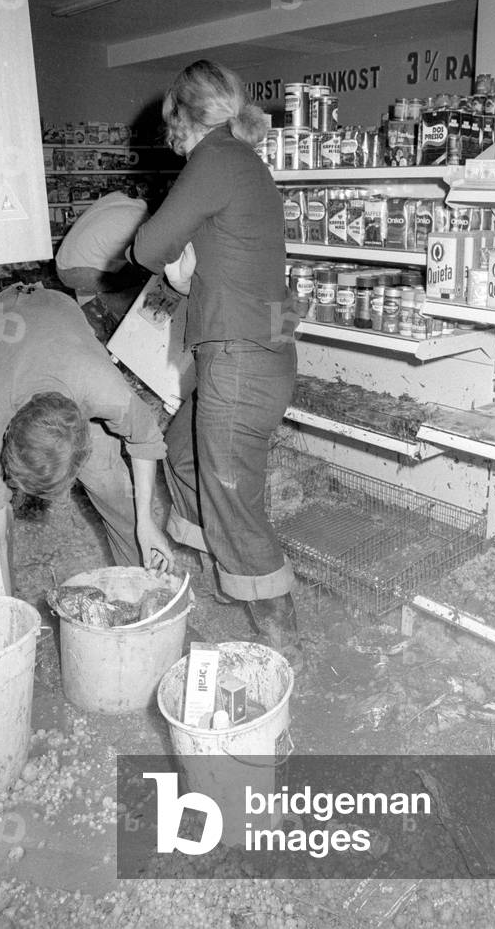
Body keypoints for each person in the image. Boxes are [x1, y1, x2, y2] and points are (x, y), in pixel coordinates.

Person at [131, 59, 301, 666]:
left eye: (170, 119)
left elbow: (148, 247)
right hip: (255, 350)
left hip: (239, 360)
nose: (168, 133)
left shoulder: (215, 159)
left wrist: (177, 265)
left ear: (183, 115)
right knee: (182, 454)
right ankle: (224, 574)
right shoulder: (246, 163)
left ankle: (284, 638)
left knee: (233, 497)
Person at [0, 284, 173, 594]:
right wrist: (8, 613)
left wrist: (146, 522)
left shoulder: (101, 387)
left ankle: (141, 589)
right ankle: (10, 597)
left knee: (108, 482)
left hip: (57, 314)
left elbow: (145, 440)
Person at [55, 184, 151, 305]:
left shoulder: (119, 196)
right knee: (141, 277)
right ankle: (108, 311)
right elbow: (150, 259)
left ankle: (88, 304)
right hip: (80, 272)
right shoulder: (142, 220)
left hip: (63, 262)